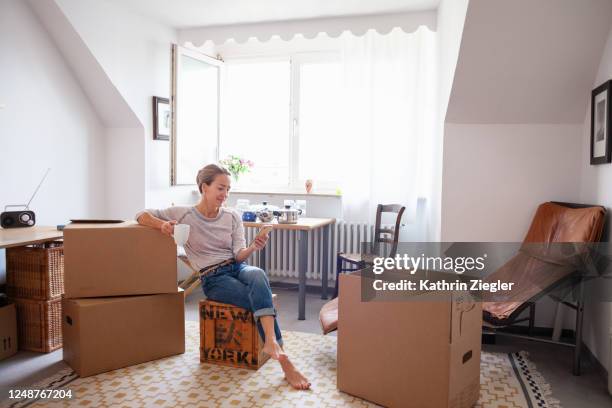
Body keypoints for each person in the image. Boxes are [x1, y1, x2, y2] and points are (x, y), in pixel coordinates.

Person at [136, 164, 311, 390]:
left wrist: (253, 247)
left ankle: (271, 342)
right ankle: (286, 362)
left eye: (228, 189)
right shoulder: (183, 214)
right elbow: (140, 214)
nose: (225, 195)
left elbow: (239, 256)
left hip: (236, 267)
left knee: (257, 274)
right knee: (258, 298)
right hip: (212, 278)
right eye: (220, 188)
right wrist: (162, 225)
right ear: (204, 187)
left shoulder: (232, 216)